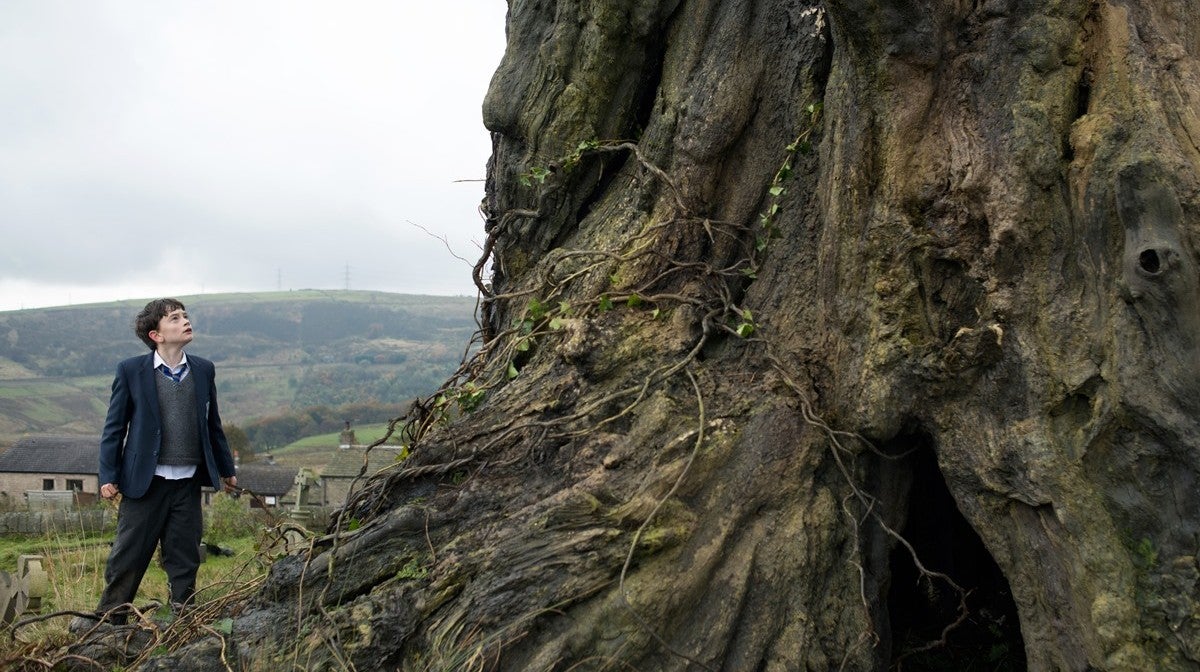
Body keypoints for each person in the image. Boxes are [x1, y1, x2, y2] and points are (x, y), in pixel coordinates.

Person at [75, 298, 237, 630]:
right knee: (129, 555)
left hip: (188, 481)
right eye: (175, 318)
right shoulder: (131, 370)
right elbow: (114, 427)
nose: (185, 321)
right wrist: (108, 474)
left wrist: (226, 468)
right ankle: (109, 619)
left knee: (184, 554)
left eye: (185, 315)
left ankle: (181, 617)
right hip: (144, 482)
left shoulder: (204, 369)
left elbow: (213, 424)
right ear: (156, 335)